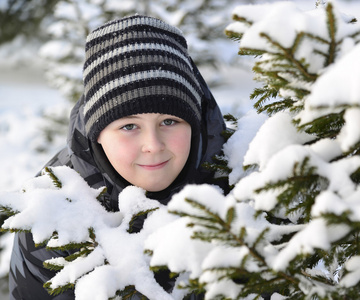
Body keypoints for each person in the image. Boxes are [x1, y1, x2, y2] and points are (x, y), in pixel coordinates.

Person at [9, 15, 227, 299]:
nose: (153, 145)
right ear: (96, 133)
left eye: (170, 121)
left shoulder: (243, 176)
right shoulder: (55, 208)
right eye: (129, 126)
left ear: (195, 123)